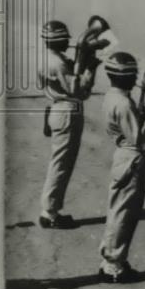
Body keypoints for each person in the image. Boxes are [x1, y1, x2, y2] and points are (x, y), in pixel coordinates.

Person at [98, 53, 145, 283]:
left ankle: (110, 259)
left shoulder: (112, 97)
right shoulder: (123, 103)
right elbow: (139, 137)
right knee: (125, 213)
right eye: (133, 75)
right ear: (126, 77)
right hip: (131, 156)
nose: (136, 79)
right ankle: (114, 266)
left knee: (117, 210)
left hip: (122, 154)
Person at [37, 20, 95, 228]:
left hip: (58, 108)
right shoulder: (58, 63)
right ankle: (50, 213)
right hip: (67, 111)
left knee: (59, 163)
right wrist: (89, 68)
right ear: (59, 40)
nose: (68, 43)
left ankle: (50, 210)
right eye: (65, 40)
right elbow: (78, 91)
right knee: (61, 165)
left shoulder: (50, 58)